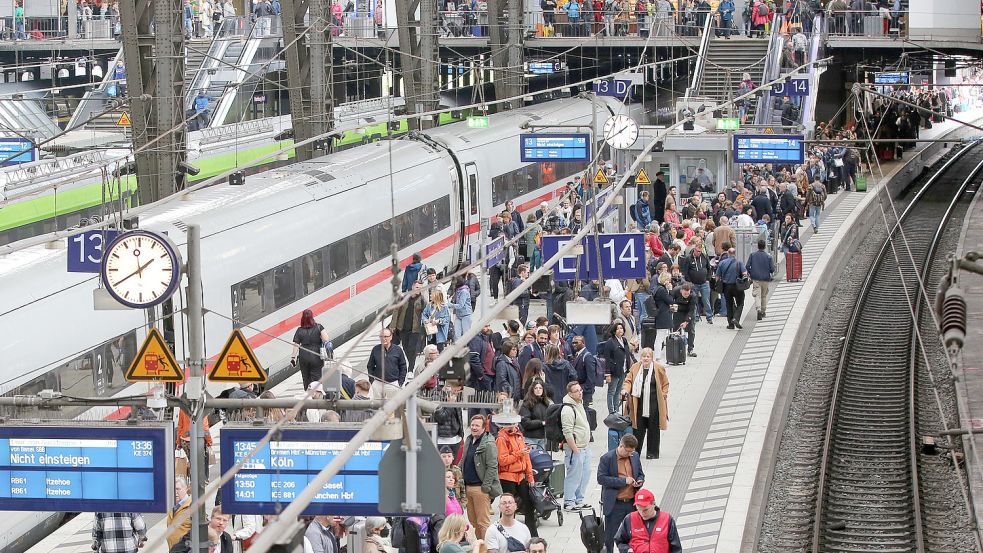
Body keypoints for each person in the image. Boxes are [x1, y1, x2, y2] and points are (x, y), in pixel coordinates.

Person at [597, 434, 644, 553]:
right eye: (628, 451)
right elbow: (601, 479)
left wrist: (639, 480)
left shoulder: (634, 456)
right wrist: (623, 481)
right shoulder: (607, 458)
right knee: (610, 536)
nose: (630, 454)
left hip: (631, 503)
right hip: (615, 504)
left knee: (632, 534)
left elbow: (640, 473)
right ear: (621, 446)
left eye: (632, 451)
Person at [457, 414, 502, 539]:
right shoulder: (469, 440)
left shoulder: (488, 443)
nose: (474, 428)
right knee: (473, 523)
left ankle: (487, 548)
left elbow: (492, 466)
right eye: (472, 425)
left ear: (483, 428)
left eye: (477, 425)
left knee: (483, 523)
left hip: (480, 488)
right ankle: (478, 547)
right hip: (468, 488)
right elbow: (463, 459)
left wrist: (485, 487)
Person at [622, 348, 668, 459]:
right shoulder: (635, 367)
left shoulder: (658, 368)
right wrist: (625, 390)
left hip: (654, 403)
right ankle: (635, 451)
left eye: (648, 356)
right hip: (639, 403)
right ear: (640, 357)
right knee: (638, 428)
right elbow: (628, 381)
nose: (645, 358)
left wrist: (663, 394)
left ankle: (652, 452)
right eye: (643, 356)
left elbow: (665, 383)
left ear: (652, 358)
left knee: (653, 428)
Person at [496, 421, 538, 536]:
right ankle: (504, 534)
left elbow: (527, 458)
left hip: (520, 476)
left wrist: (530, 477)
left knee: (529, 506)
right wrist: (519, 453)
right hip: (507, 477)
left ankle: (533, 536)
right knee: (507, 506)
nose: (512, 425)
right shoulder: (501, 438)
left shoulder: (519, 435)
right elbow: (502, 460)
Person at [612, 490, 682, 553]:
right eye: (639, 509)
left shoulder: (667, 519)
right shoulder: (629, 519)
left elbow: (676, 548)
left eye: (645, 510)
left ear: (653, 504)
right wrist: (627, 550)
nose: (642, 513)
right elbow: (620, 541)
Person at [560, 381, 592, 511]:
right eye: (577, 391)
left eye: (581, 390)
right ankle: (569, 501)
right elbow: (567, 432)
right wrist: (575, 450)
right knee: (574, 475)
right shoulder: (568, 409)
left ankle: (579, 499)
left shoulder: (579, 404)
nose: (580, 393)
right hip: (575, 449)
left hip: (584, 447)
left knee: (585, 474)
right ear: (570, 394)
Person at [390, 280, 426, 374]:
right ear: (413, 287)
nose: (419, 290)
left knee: (412, 349)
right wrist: (393, 325)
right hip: (403, 328)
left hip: (415, 329)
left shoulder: (422, 300)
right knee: (405, 348)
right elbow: (396, 311)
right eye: (417, 287)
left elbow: (426, 313)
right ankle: (410, 363)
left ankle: (410, 368)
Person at [292, 309, 331, 392]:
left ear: (302, 318)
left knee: (305, 377)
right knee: (317, 377)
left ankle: (307, 393)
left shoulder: (299, 330)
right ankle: (316, 395)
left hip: (303, 356)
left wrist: (293, 357)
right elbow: (326, 339)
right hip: (316, 355)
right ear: (312, 317)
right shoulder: (319, 327)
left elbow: (296, 344)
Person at [366, 328, 408, 399]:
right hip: (378, 383)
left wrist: (400, 382)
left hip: (393, 383)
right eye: (381, 337)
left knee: (393, 405)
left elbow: (403, 366)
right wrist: (372, 381)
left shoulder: (398, 350)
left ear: (391, 337)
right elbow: (370, 366)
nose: (383, 339)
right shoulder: (375, 349)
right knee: (378, 405)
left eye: (386, 336)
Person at [601, 321, 633, 414]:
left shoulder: (624, 340)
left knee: (618, 391)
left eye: (621, 328)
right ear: (614, 331)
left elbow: (628, 354)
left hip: (623, 370)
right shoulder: (610, 342)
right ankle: (611, 411)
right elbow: (606, 358)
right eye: (618, 328)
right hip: (614, 371)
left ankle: (616, 409)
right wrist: (607, 374)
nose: (620, 330)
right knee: (612, 391)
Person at [717, 247, 749, 329]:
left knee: (729, 304)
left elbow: (717, 276)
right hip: (737, 286)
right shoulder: (739, 263)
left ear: (728, 253)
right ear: (735, 254)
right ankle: (736, 318)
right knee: (740, 303)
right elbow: (745, 273)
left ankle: (730, 324)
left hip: (726, 286)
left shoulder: (722, 263)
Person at [746, 239, 775, 320]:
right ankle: (763, 311)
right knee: (763, 296)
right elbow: (772, 269)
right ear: (765, 246)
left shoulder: (752, 255)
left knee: (757, 295)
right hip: (765, 279)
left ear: (758, 246)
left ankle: (758, 309)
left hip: (756, 279)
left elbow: (747, 266)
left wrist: (751, 273)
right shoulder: (768, 256)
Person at [518, 380, 550, 449]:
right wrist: (542, 423)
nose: (538, 390)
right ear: (532, 390)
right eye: (536, 388)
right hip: (530, 438)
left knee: (541, 459)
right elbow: (525, 423)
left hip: (543, 438)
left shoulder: (546, 403)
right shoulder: (526, 404)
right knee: (530, 459)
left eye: (540, 388)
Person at [570, 335, 599, 405]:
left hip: (584, 392)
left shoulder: (587, 356)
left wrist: (584, 389)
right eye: (573, 343)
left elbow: (591, 377)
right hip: (578, 390)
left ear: (583, 343)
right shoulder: (577, 355)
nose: (574, 345)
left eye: (576, 343)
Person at [167, 476, 192, 552]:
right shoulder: (173, 506)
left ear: (186, 489)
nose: (175, 492)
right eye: (173, 489)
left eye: (178, 489)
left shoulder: (192, 507)